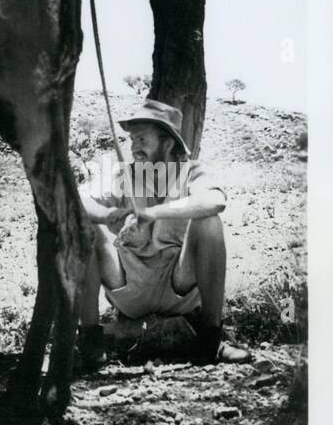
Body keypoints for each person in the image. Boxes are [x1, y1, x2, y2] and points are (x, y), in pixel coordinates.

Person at [77, 99, 250, 368]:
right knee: (84, 226)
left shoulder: (191, 172)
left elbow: (216, 201)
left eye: (142, 139)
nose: (134, 147)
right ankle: (89, 342)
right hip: (128, 287)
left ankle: (211, 340)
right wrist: (108, 215)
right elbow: (78, 201)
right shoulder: (123, 175)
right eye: (132, 139)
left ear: (167, 143)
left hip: (178, 288)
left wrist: (155, 213)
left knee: (209, 222)